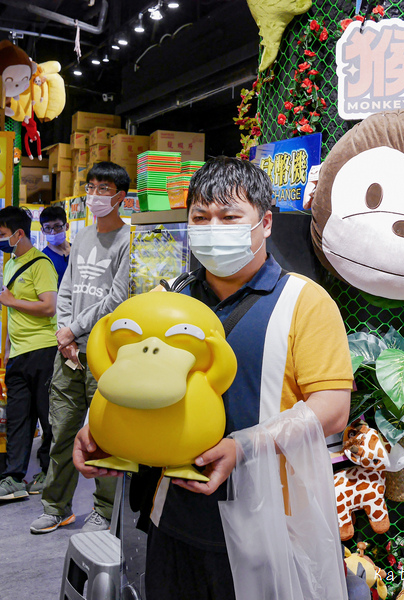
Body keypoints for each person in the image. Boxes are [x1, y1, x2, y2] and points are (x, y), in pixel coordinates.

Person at [73, 156, 353, 598]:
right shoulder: (170, 298)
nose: (213, 227)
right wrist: (95, 428)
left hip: (267, 519)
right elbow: (129, 372)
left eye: (229, 216)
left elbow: (333, 408)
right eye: (200, 217)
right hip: (173, 512)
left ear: (264, 223)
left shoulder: (304, 301)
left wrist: (242, 448)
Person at [30, 161, 131, 534]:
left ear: (120, 196)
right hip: (68, 351)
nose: (95, 195)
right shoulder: (83, 235)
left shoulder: (128, 240)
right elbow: (68, 287)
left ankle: (104, 509)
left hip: (104, 351)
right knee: (62, 430)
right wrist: (64, 333)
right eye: (92, 187)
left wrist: (72, 329)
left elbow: (116, 300)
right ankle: (55, 505)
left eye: (104, 189)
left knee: (103, 432)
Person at [0, 206, 58, 502]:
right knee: (17, 419)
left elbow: (48, 307)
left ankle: (47, 472)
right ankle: (12, 477)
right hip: (19, 353)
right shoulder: (12, 263)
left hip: (43, 350)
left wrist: (12, 301)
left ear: (19, 233)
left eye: (2, 234)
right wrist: (9, 350)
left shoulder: (41, 264)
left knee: (47, 418)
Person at [39, 205, 71, 285]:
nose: (53, 232)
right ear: (42, 230)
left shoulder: (78, 251)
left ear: (66, 226)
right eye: (48, 228)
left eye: (57, 226)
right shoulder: (43, 258)